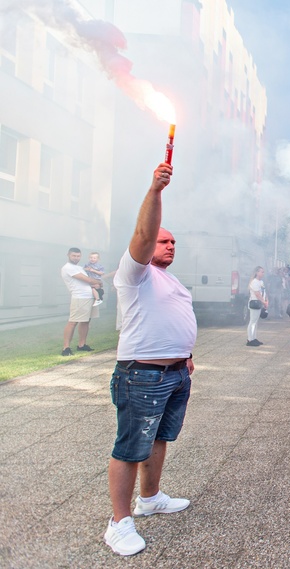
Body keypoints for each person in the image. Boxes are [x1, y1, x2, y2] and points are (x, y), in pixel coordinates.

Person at [104, 162, 196, 556]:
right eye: (163, 242)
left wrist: (186, 355)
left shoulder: (171, 280)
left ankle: (150, 498)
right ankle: (118, 523)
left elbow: (173, 320)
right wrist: (155, 191)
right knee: (130, 446)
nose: (169, 246)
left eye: (174, 242)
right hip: (142, 375)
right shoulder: (133, 273)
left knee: (159, 437)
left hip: (175, 374)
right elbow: (143, 233)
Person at [60, 247, 102, 356]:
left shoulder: (79, 267)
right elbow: (86, 279)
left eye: (78, 256)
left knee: (86, 321)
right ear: (68, 255)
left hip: (89, 297)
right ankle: (66, 348)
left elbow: (88, 282)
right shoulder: (68, 267)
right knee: (73, 322)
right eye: (74, 255)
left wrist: (96, 284)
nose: (76, 258)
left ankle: (82, 345)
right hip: (79, 297)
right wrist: (98, 282)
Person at [246, 266, 268, 346]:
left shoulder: (261, 282)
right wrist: (264, 302)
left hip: (259, 303)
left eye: (263, 272)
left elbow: (263, 292)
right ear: (257, 272)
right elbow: (257, 294)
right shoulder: (254, 282)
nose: (263, 273)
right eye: (261, 272)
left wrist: (266, 301)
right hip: (255, 303)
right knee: (252, 322)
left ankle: (254, 338)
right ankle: (250, 339)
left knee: (255, 322)